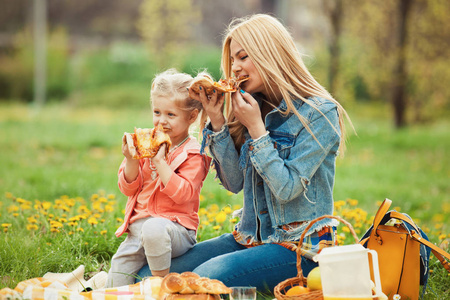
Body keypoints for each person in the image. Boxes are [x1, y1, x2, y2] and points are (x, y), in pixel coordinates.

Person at [138, 14, 353, 292]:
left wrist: (257, 129)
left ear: (269, 54)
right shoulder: (252, 105)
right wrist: (217, 120)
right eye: (231, 61)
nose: (234, 68)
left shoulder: (320, 114)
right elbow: (234, 183)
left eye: (242, 58)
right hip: (250, 238)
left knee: (206, 277)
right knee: (146, 275)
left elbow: (287, 189)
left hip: (301, 248)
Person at [106, 69, 212, 287]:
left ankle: (160, 285)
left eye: (170, 115)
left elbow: (183, 195)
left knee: (154, 229)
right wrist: (132, 159)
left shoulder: (193, 154)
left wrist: (161, 163)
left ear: (191, 117)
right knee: (114, 286)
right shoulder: (147, 142)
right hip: (136, 235)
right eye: (157, 112)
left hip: (174, 231)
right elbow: (128, 188)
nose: (161, 121)